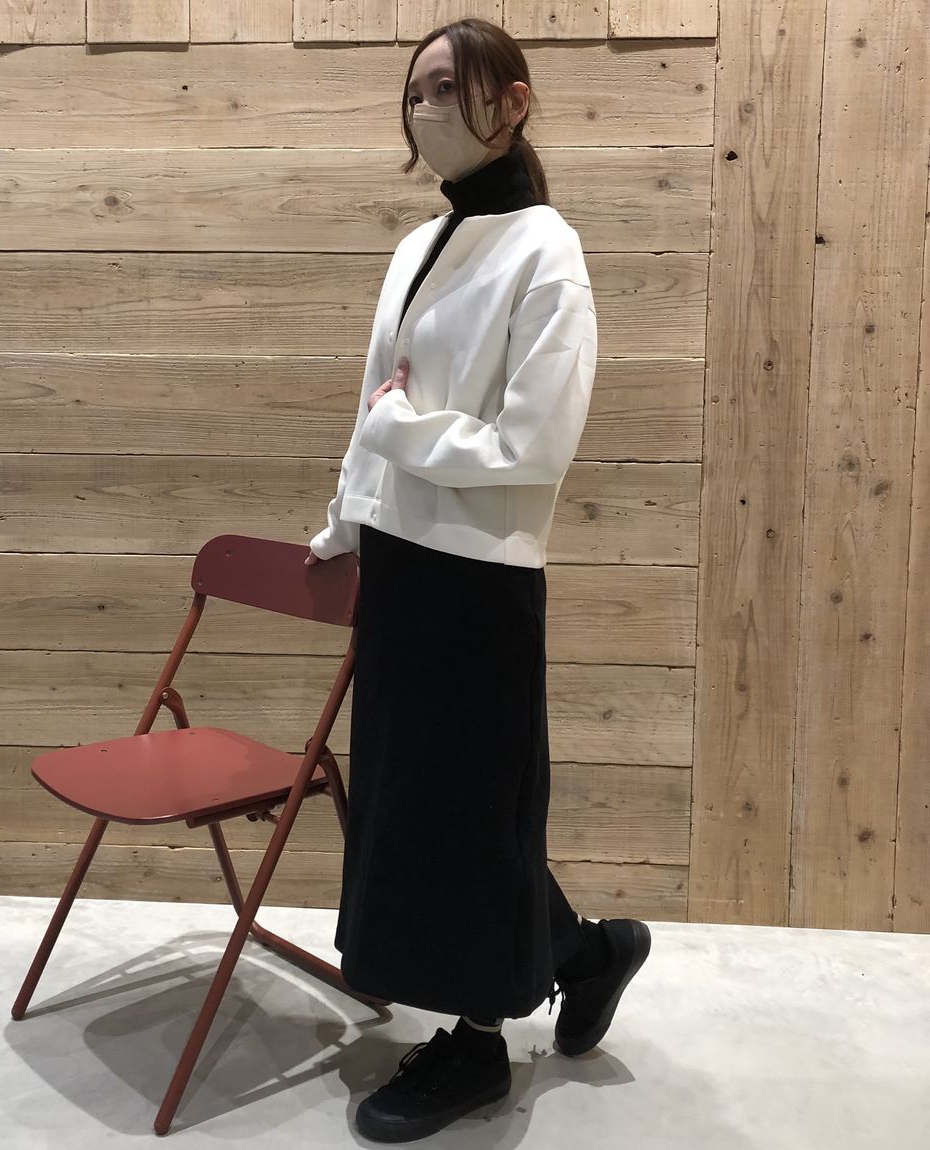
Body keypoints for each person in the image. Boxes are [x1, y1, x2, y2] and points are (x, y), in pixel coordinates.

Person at [305, 18, 651, 1143]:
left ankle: (476, 1042)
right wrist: (343, 523)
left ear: (512, 101)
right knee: (415, 805)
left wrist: (402, 434)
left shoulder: (547, 250)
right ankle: (588, 952)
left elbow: (530, 447)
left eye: (451, 87)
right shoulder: (419, 244)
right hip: (401, 566)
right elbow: (375, 401)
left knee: (462, 810)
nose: (429, 107)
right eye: (416, 90)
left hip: (480, 579)